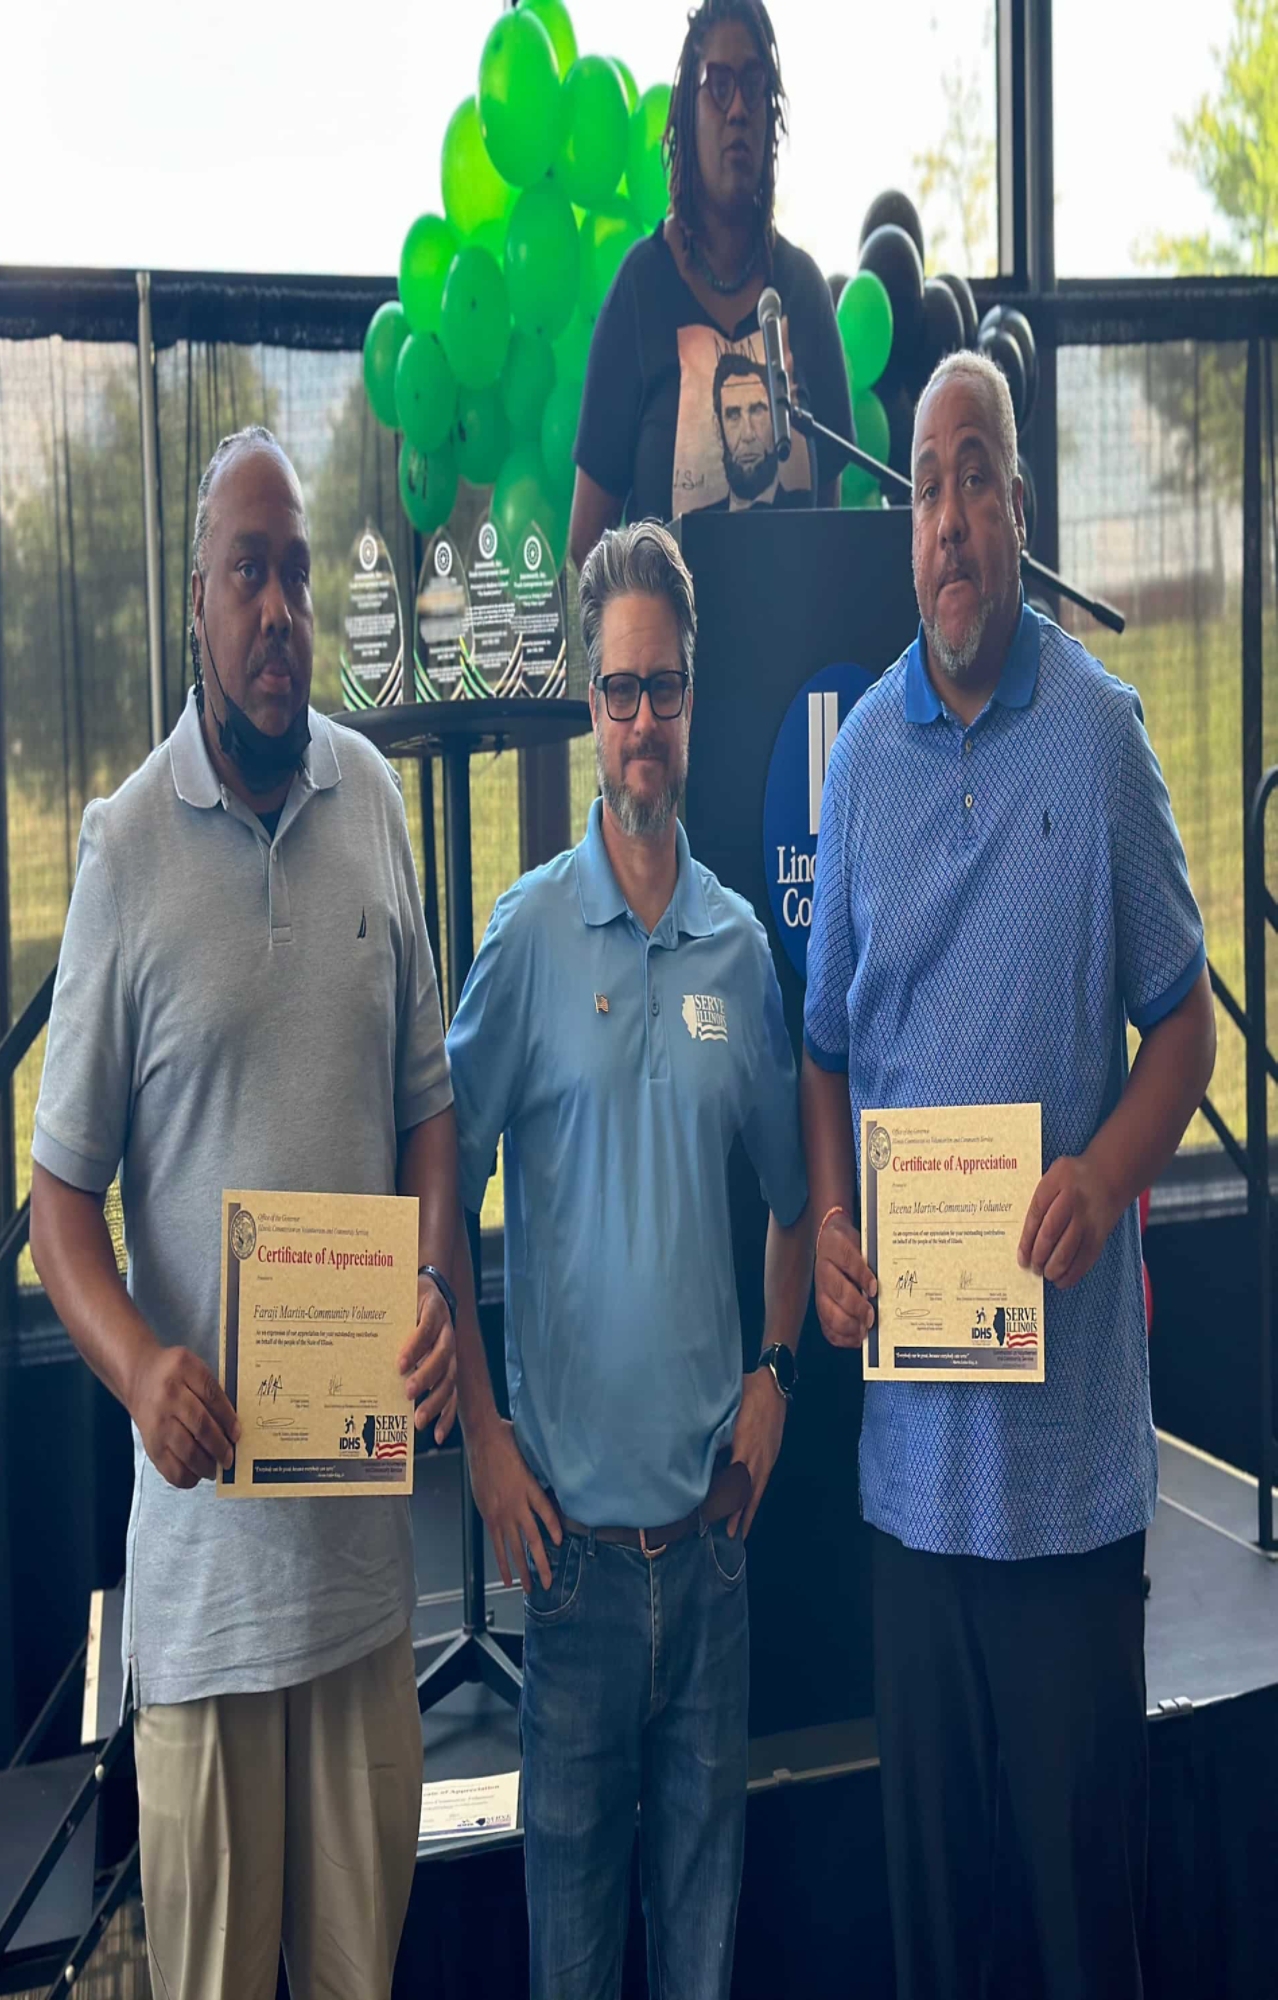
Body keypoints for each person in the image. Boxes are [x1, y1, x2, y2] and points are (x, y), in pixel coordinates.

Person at [800, 350, 1216, 2000]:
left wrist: (1105, 1173)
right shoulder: (855, 769)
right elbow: (822, 1043)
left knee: (1074, 1940)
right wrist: (832, 1222)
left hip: (1061, 1501)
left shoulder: (1100, 742)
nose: (950, 517)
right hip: (912, 1487)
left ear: (1017, 512)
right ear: (903, 528)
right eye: (924, 485)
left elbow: (1179, 1032)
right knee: (942, 1948)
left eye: (976, 477)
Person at [29, 426, 460, 2000]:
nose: (280, 608)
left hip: (361, 1583)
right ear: (197, 607)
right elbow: (57, 1203)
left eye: (296, 574)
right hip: (207, 1604)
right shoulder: (123, 851)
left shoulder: (375, 805)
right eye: (248, 576)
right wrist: (145, 1370)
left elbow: (430, 1108)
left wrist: (425, 1290)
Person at [446, 519, 811, 1999]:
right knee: (573, 1971)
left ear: (689, 692)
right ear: (587, 712)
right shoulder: (525, 940)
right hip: (572, 1580)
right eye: (617, 692)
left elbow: (796, 1200)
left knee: (703, 1964)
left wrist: (777, 1369)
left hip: (711, 1560)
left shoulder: (739, 949)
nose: (642, 719)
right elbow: (433, 1186)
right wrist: (477, 1437)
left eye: (662, 688)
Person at [568, 0, 852, 570]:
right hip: (668, 658)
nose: (740, 108)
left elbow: (829, 538)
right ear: (685, 114)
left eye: (754, 85)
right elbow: (584, 553)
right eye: (718, 86)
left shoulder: (803, 294)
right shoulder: (640, 293)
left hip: (794, 654)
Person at [705, 348, 804, 510]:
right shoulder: (694, 522)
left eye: (757, 411)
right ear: (718, 428)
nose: (748, 434)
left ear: (776, 419)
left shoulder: (800, 505)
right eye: (734, 415)